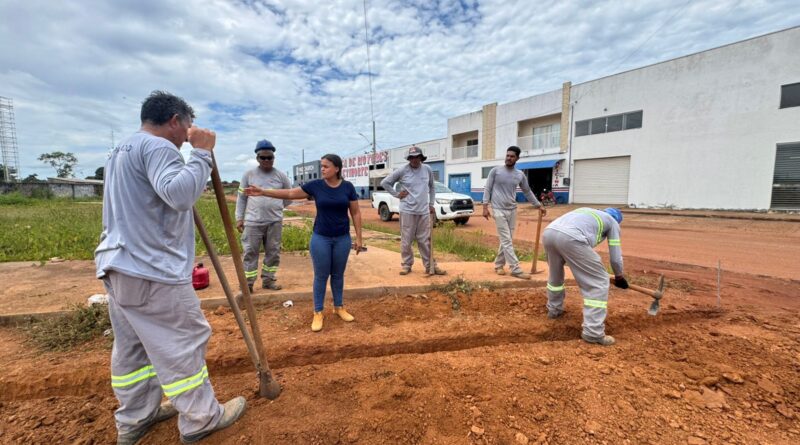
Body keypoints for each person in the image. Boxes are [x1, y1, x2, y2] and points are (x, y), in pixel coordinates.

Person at [94, 91, 245, 445]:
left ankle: (135, 420)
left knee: (133, 349)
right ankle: (201, 419)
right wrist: (203, 154)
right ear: (175, 120)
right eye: (188, 127)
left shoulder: (121, 151)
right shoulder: (160, 147)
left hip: (119, 266)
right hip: (153, 270)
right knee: (183, 342)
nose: (188, 134)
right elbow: (178, 195)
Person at [244, 154, 362, 332]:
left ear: (337, 169)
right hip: (321, 238)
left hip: (342, 239)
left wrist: (359, 238)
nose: (322, 169)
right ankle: (318, 312)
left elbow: (356, 213)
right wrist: (263, 191)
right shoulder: (316, 186)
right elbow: (291, 193)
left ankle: (339, 307)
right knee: (321, 276)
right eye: (321, 166)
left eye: (326, 166)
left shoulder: (347, 187)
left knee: (338, 275)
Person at [542, 207, 628, 346]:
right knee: (599, 281)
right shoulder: (612, 222)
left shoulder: (587, 211)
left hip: (549, 233)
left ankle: (554, 310)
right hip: (571, 238)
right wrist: (619, 276)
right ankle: (593, 333)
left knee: (555, 276)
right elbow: (616, 258)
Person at [235, 139, 292, 292]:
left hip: (274, 222)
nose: (267, 160)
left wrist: (278, 207)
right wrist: (239, 218)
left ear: (274, 158)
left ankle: (268, 280)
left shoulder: (280, 176)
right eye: (263, 157)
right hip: (253, 222)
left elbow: (289, 195)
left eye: (270, 157)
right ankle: (248, 284)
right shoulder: (249, 175)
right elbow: (242, 198)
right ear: (257, 158)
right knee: (250, 252)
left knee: (273, 252)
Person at [380, 146, 446, 276]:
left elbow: (432, 187)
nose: (414, 160)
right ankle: (406, 265)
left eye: (417, 157)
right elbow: (385, 182)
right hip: (407, 210)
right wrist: (397, 194)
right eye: (412, 157)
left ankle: (430, 266)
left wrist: (431, 203)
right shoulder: (402, 170)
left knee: (425, 240)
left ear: (421, 157)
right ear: (409, 159)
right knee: (406, 240)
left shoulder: (427, 169)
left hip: (423, 211)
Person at [482, 146, 545, 280]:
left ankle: (499, 265)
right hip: (498, 209)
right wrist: (485, 206)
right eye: (507, 155)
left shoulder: (519, 175)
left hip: (512, 210)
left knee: (507, 240)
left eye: (512, 156)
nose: (509, 158)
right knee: (506, 239)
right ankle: (515, 269)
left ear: (517, 158)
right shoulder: (495, 171)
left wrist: (538, 205)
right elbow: (488, 188)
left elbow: (527, 191)